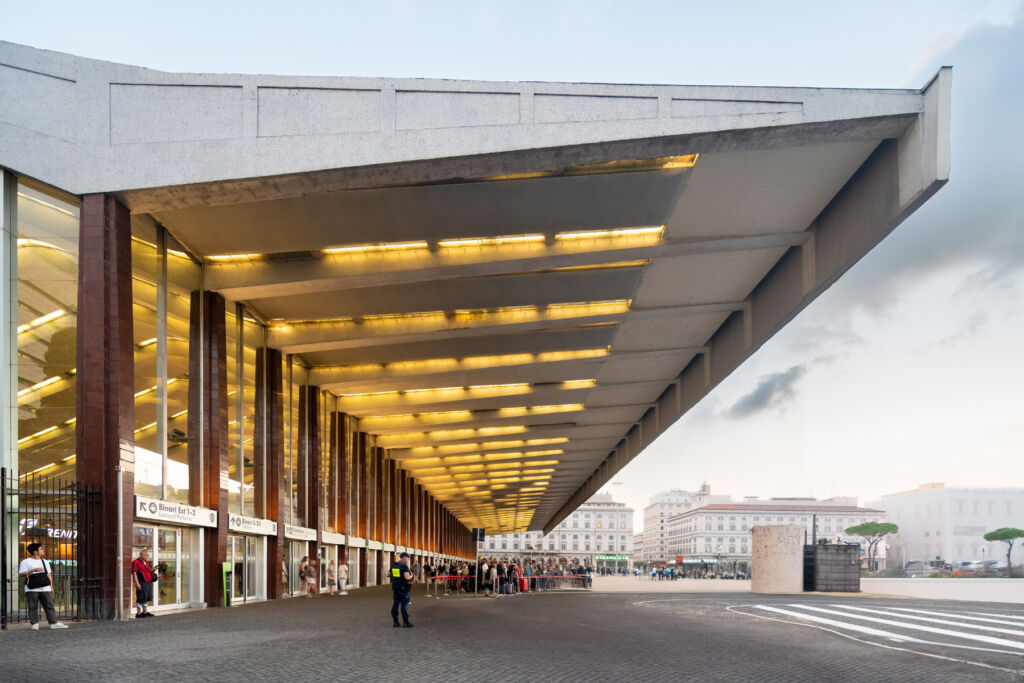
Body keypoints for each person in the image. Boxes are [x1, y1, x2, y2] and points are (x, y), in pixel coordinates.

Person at [18, 542, 68, 630]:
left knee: (49, 605)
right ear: (35, 551)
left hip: (45, 587)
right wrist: (32, 570)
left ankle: (53, 623)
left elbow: (49, 574)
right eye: (41, 549)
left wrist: (51, 586)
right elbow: (21, 574)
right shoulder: (25, 562)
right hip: (31, 589)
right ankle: (34, 624)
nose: (43, 550)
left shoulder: (45, 561)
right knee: (32, 606)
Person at [389, 551, 414, 628]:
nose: (408, 560)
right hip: (404, 588)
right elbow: (406, 577)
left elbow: (388, 574)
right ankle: (406, 622)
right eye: (408, 558)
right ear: (404, 558)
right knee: (404, 605)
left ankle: (395, 622)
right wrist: (411, 576)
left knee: (395, 604)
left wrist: (397, 575)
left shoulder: (394, 565)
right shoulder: (405, 566)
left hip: (396, 587)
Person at [131, 548, 157, 618]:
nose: (147, 557)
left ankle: (145, 611)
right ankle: (138, 613)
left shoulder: (145, 562)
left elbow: (148, 571)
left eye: (148, 555)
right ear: (141, 555)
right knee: (140, 597)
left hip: (149, 582)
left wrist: (153, 570)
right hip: (142, 582)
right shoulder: (135, 562)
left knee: (146, 597)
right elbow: (134, 573)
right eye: (146, 555)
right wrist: (137, 583)